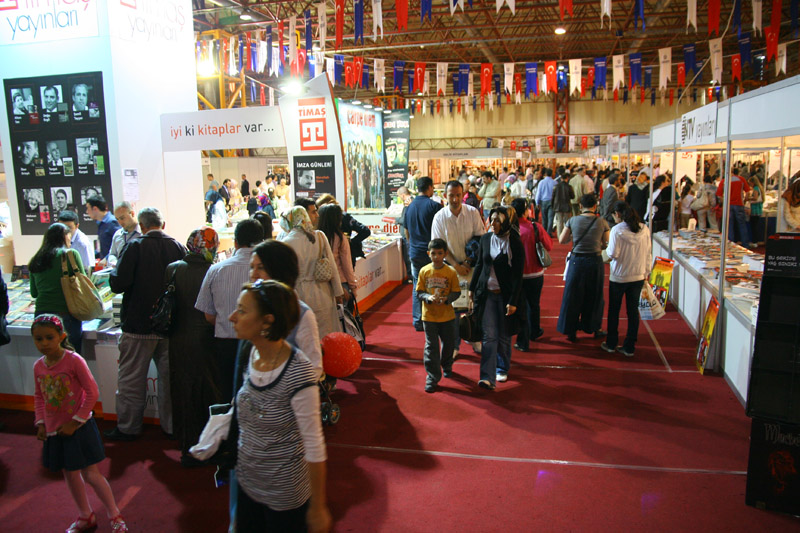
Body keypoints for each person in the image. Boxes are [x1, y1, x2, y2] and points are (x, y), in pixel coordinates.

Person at [228, 280, 331, 532]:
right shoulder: (249, 352)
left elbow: (314, 445)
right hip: (247, 484)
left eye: (242, 311)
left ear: (267, 321)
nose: (232, 317)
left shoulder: (298, 372)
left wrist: (318, 507)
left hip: (285, 495)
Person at [31, 315, 129, 533]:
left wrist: (75, 422)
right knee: (69, 473)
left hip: (79, 427)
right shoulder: (38, 366)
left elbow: (92, 392)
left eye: (49, 337)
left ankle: (114, 514)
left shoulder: (74, 360)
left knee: (91, 474)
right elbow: (39, 396)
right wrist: (41, 423)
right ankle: (85, 515)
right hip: (55, 430)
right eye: (39, 339)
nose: (44, 343)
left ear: (61, 336)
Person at [106, 207, 187, 441]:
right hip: (170, 326)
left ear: (141, 226)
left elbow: (118, 284)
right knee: (169, 382)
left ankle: (128, 428)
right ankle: (170, 427)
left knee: (131, 380)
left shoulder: (134, 246)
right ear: (163, 224)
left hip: (138, 324)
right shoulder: (178, 247)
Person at [166, 227, 221, 467]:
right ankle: (209, 446)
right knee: (208, 392)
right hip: (207, 340)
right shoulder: (214, 271)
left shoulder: (173, 269)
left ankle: (186, 446)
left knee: (183, 392)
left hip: (178, 339)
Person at [195, 219, 264, 402]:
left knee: (228, 394)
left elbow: (209, 315)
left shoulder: (216, 269)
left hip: (225, 343)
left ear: (235, 242)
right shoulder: (268, 271)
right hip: (260, 342)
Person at [468, 206, 524, 389]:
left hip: (505, 296)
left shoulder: (514, 242)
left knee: (504, 335)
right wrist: (472, 288)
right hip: (487, 294)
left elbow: (518, 275)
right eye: (491, 219)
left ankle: (502, 367)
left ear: (506, 222)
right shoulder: (486, 239)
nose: (493, 223)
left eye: (498, 220)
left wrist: (513, 301)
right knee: (489, 336)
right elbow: (479, 265)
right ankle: (487, 377)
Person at [249, 240, 323, 379]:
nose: (254, 274)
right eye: (251, 267)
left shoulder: (301, 314)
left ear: (279, 270)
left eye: (261, 268)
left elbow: (314, 367)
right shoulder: (252, 308)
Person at [430, 180, 485, 357]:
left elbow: (480, 238)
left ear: (463, 195)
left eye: (458, 195)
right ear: (445, 196)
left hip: (472, 268)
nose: (454, 199)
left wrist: (468, 262)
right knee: (452, 310)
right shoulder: (439, 217)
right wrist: (456, 265)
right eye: (451, 195)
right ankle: (453, 345)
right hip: (450, 269)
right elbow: (438, 246)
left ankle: (474, 337)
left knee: (473, 306)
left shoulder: (472, 213)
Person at [278, 206, 343, 340]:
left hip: (299, 294)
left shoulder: (285, 243)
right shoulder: (319, 236)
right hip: (323, 291)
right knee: (326, 334)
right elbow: (332, 266)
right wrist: (338, 293)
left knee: (306, 336)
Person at [557, 194, 610, 343]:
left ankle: (571, 330)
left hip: (577, 261)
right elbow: (607, 244)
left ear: (580, 206)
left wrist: (574, 237)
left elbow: (562, 240)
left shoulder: (572, 220)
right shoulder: (602, 222)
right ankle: (594, 327)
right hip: (595, 260)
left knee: (573, 295)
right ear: (595, 206)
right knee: (594, 296)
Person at [601, 202, 651, 357]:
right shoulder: (644, 229)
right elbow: (648, 252)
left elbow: (612, 253)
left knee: (614, 310)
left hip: (619, 276)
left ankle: (611, 343)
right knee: (633, 311)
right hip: (638, 275)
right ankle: (630, 346)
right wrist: (646, 273)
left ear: (617, 214)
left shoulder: (617, 230)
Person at [29, 223, 87, 353]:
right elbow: (83, 283)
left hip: (41, 315)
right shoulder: (70, 255)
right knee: (71, 356)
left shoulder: (36, 259)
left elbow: (34, 293)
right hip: (66, 312)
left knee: (49, 355)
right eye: (69, 237)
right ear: (64, 237)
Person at [417, 239, 461, 393]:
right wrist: (428, 297)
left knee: (449, 344)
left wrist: (447, 299)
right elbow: (419, 292)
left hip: (447, 316)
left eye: (440, 253)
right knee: (431, 347)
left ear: (445, 254)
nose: (436, 257)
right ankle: (432, 377)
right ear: (428, 254)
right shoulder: (424, 271)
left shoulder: (451, 272)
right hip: (429, 317)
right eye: (433, 253)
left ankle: (447, 365)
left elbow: (456, 292)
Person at [510, 198, 552, 352]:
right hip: (536, 274)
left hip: (518, 276)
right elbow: (549, 245)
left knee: (520, 308)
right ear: (526, 210)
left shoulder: (510, 230)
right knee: (534, 304)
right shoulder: (535, 227)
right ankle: (534, 331)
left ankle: (523, 338)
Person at [404, 176, 444, 331]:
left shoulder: (409, 207)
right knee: (435, 284)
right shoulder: (434, 206)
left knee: (418, 285)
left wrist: (411, 245)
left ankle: (418, 319)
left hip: (415, 252)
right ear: (430, 187)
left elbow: (406, 231)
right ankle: (433, 318)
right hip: (431, 253)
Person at [318, 204, 358, 305]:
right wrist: (353, 286)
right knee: (343, 313)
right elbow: (347, 264)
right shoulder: (339, 238)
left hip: (321, 283)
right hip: (340, 282)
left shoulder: (316, 237)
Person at [316, 193, 371, 266]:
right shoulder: (341, 216)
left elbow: (365, 231)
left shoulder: (344, 217)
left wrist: (350, 243)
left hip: (345, 255)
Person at [717, 167, 753, 247]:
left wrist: (724, 203)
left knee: (729, 225)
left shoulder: (724, 181)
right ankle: (745, 244)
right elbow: (748, 192)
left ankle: (731, 244)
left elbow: (719, 195)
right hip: (739, 204)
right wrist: (744, 201)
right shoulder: (741, 179)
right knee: (742, 225)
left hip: (728, 205)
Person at [104, 202, 142, 268]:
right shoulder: (117, 235)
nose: (120, 222)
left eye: (122, 218)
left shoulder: (143, 233)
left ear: (132, 213)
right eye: (117, 219)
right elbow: (112, 254)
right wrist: (114, 262)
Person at [551, 170, 575, 237]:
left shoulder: (556, 186)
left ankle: (559, 236)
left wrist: (553, 206)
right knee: (567, 222)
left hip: (558, 206)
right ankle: (566, 236)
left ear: (561, 178)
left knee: (559, 222)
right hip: (567, 206)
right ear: (567, 178)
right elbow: (573, 196)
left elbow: (553, 197)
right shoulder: (569, 186)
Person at [535, 167, 556, 235]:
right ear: (552, 174)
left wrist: (537, 202)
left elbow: (538, 193)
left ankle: (544, 232)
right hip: (552, 201)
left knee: (544, 218)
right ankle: (549, 232)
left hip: (543, 201)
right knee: (551, 218)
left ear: (545, 174)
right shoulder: (555, 182)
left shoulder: (541, 182)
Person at [747, 175, 765, 244]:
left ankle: (754, 241)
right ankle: (755, 241)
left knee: (754, 227)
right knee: (755, 226)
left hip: (755, 210)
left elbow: (755, 198)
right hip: (758, 209)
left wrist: (748, 198)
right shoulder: (760, 188)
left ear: (753, 182)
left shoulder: (756, 188)